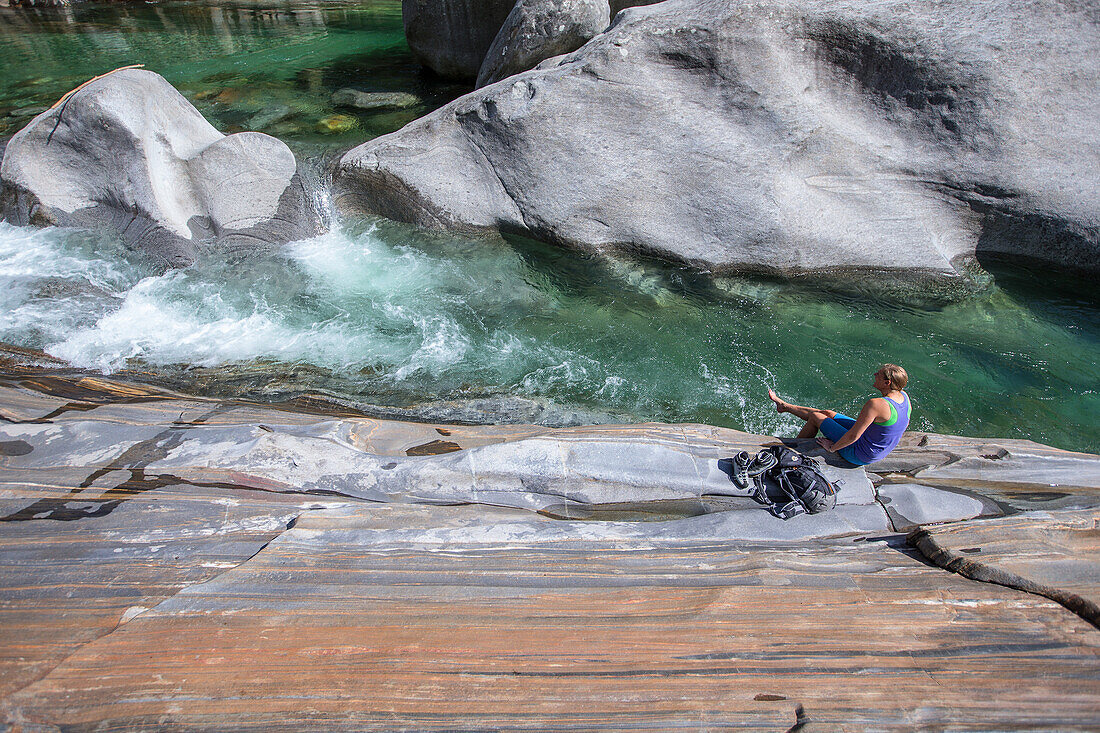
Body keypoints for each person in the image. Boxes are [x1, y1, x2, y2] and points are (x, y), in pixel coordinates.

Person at [766, 364, 911, 466]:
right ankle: (785, 406)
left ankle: (792, 452)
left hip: (859, 453)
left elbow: (853, 436)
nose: (874, 375)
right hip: (874, 447)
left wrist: (832, 447)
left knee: (816, 417)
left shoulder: (877, 404)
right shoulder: (903, 396)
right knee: (827, 414)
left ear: (887, 382)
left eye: (878, 374)